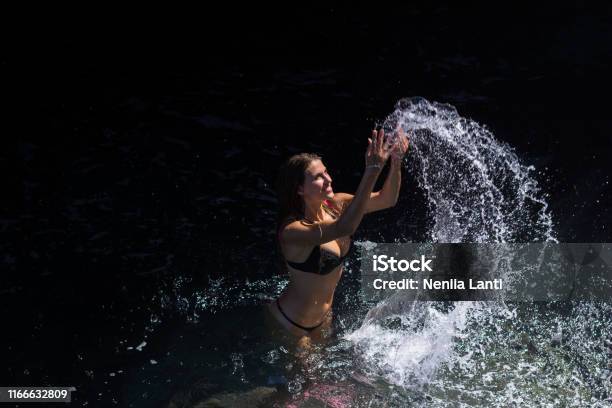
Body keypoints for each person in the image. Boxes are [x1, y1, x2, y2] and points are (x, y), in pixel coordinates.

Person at [268, 128, 410, 339]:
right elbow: (344, 228)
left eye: (326, 172)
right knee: (310, 374)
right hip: (291, 323)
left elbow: (387, 199)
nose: (328, 179)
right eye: (318, 177)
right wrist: (372, 170)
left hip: (324, 319)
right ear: (299, 189)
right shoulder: (292, 231)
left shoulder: (336, 205)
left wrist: (396, 160)